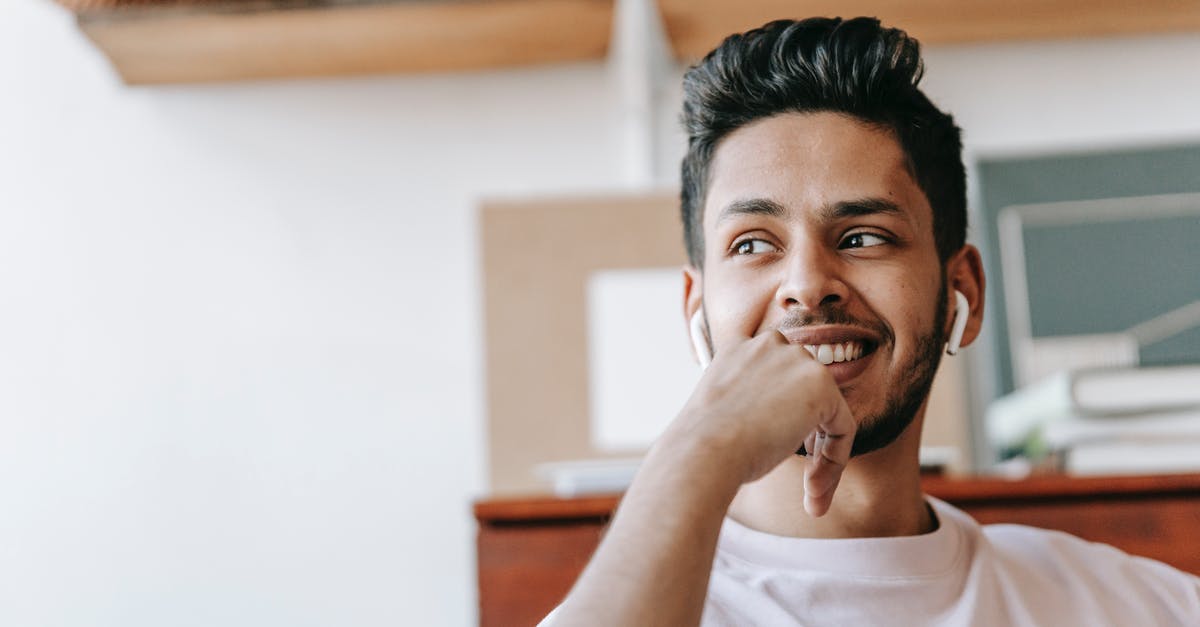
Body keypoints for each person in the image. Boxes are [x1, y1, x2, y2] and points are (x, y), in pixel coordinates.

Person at [543, 16, 1200, 627]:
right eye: (752, 244)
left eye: (863, 236)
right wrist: (701, 446)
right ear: (697, 308)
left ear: (960, 288)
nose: (806, 285)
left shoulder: (1140, 604)